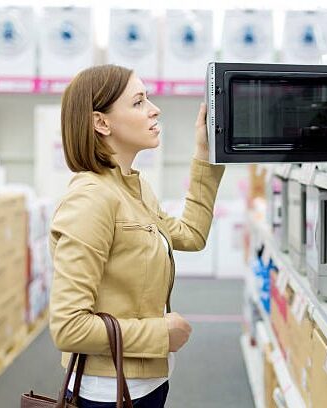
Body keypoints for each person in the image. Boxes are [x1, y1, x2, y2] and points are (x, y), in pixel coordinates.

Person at [48, 64, 225, 408]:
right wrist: (161, 333)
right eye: (139, 102)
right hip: (108, 392)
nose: (154, 109)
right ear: (101, 122)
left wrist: (205, 153)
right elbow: (68, 327)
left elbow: (190, 234)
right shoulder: (91, 199)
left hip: (147, 383)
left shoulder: (134, 187)